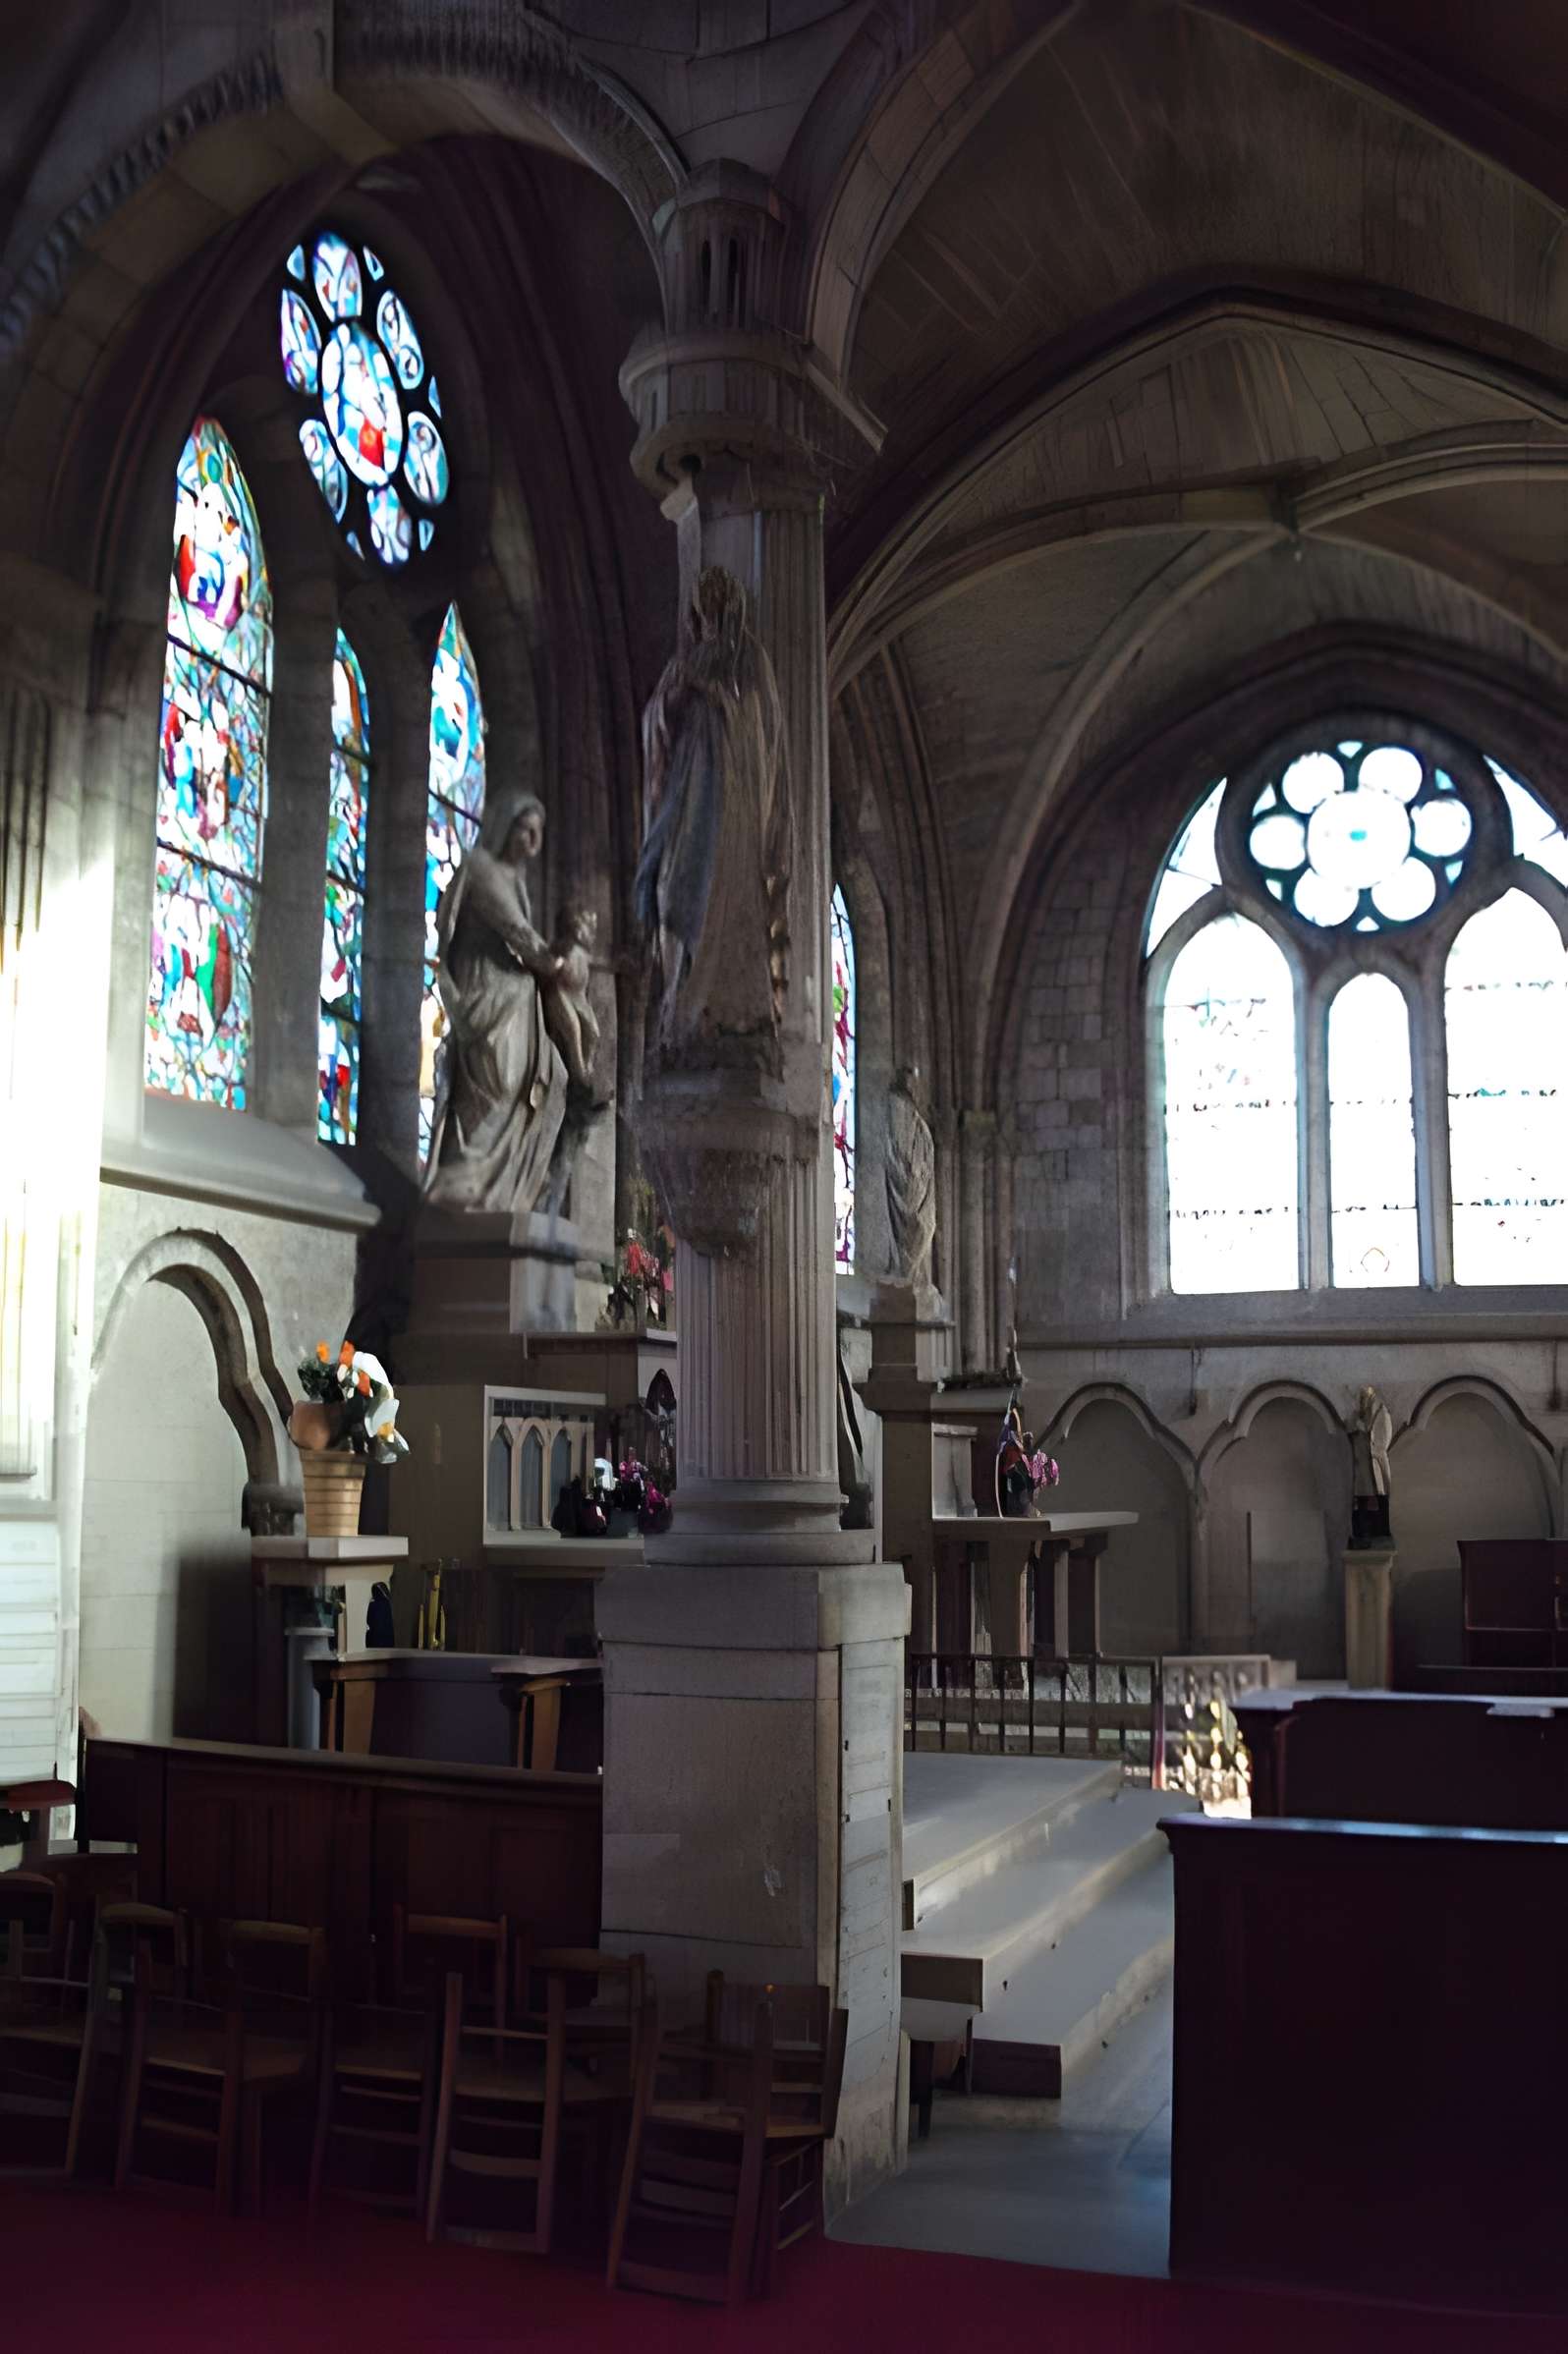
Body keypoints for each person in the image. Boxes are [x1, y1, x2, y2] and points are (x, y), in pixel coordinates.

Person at [423, 793, 568, 1215]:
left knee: (535, 1080)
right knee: (500, 1080)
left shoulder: (515, 879)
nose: (533, 841)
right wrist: (555, 962)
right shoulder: (482, 869)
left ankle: (498, 1186)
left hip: (510, 993)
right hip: (482, 989)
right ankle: (465, 1177)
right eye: (526, 829)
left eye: (539, 833)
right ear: (506, 826)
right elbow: (516, 931)